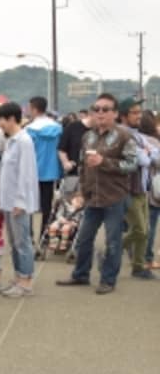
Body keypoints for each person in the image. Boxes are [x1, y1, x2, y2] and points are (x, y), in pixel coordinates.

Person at [56, 93, 138, 295]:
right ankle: (81, 275)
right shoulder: (88, 136)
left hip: (114, 197)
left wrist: (105, 162)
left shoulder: (124, 136)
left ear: (115, 113)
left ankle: (108, 280)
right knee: (84, 239)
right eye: (97, 109)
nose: (100, 113)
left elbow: (132, 165)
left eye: (105, 109)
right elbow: (83, 166)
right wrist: (80, 191)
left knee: (113, 242)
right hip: (92, 196)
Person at [0, 101, 40, 298]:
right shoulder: (12, 141)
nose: (0, 124)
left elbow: (27, 174)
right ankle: (18, 277)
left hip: (17, 201)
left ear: (12, 119)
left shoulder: (24, 141)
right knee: (14, 242)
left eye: (2, 120)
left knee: (23, 242)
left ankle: (26, 281)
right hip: (8, 199)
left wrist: (21, 202)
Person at [119, 98, 158, 279]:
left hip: (142, 187)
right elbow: (142, 160)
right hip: (128, 188)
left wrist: (148, 154)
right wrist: (148, 154)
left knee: (145, 231)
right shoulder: (122, 134)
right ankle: (113, 249)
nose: (139, 116)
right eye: (134, 112)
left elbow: (155, 156)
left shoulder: (138, 135)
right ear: (124, 115)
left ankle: (139, 266)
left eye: (139, 112)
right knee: (140, 229)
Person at [25, 96, 63, 237]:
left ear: (34, 109)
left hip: (33, 170)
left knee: (29, 205)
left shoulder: (29, 129)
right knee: (47, 204)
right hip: (51, 170)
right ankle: (45, 234)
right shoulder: (58, 128)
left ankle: (29, 235)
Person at [140, 110, 160, 269]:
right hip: (153, 189)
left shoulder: (133, 139)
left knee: (139, 224)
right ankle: (147, 257)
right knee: (150, 223)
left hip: (137, 188)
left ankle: (139, 254)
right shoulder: (153, 141)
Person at [58, 107, 92, 195]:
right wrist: (65, 162)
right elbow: (61, 149)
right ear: (91, 114)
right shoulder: (73, 127)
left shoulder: (102, 130)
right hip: (74, 173)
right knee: (71, 202)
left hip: (96, 177)